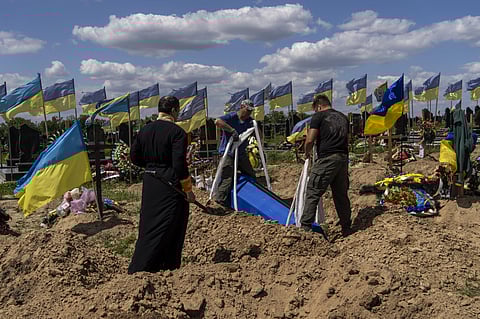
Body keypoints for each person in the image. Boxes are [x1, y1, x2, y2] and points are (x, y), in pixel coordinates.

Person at [128, 95, 195, 274]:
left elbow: (134, 157)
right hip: (170, 184)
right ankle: (166, 268)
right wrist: (188, 190)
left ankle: (140, 267)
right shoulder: (177, 133)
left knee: (149, 226)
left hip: (151, 181)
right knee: (171, 225)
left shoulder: (145, 130)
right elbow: (179, 164)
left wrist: (151, 167)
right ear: (173, 110)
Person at [301, 94, 353, 237]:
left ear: (318, 106)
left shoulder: (318, 117)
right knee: (341, 194)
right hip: (342, 158)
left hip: (327, 158)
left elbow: (310, 140)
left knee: (313, 191)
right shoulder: (343, 117)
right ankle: (346, 227)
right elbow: (347, 139)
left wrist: (306, 153)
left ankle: (305, 228)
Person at [214, 99, 256, 208]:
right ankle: (220, 201)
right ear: (242, 107)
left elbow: (256, 132)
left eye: (250, 111)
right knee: (227, 176)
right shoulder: (232, 117)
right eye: (247, 110)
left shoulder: (250, 121)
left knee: (250, 173)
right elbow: (217, 121)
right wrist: (231, 130)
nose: (248, 113)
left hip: (241, 152)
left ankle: (252, 196)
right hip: (228, 152)